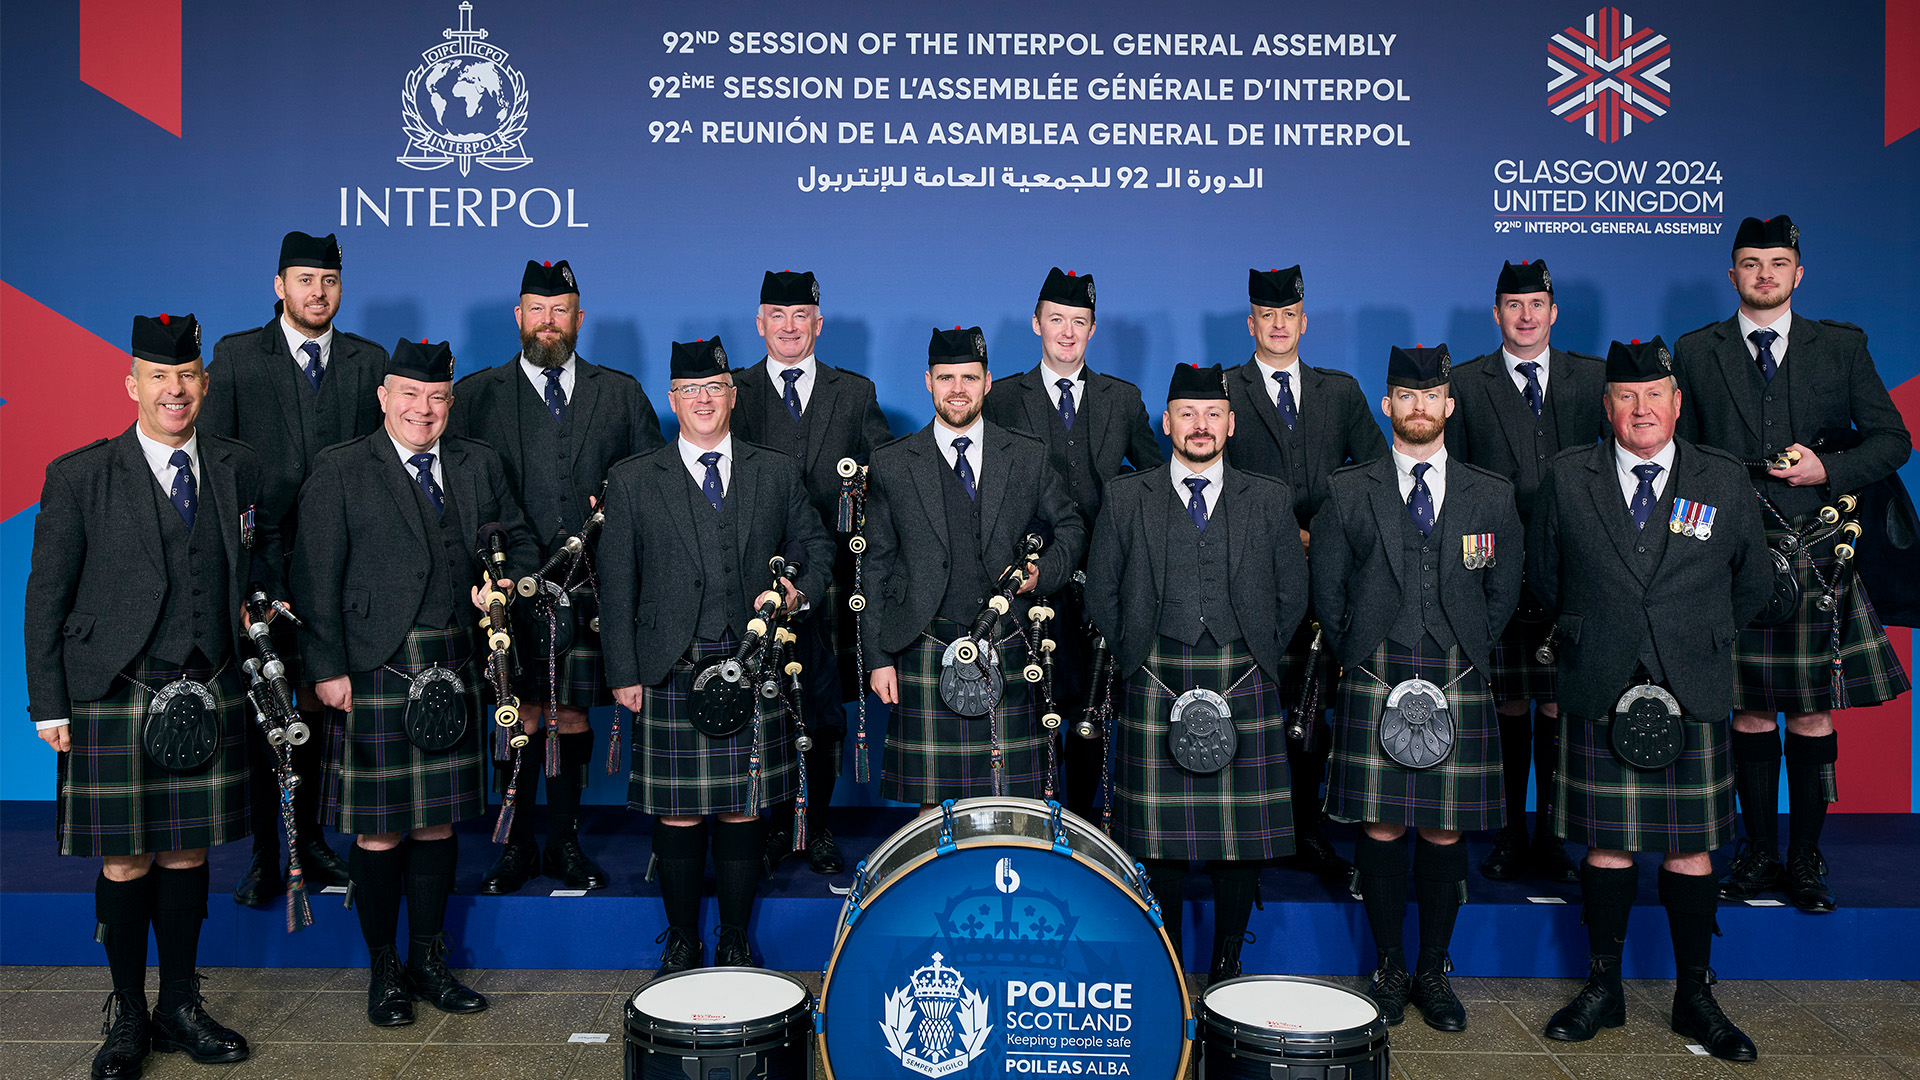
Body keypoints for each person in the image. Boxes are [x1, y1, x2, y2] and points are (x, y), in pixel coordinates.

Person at [27, 313, 277, 1078]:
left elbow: (250, 567)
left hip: (208, 688)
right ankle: (128, 1017)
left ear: (205, 384)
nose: (175, 391)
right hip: (114, 693)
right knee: (127, 861)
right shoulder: (79, 476)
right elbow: (47, 596)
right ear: (131, 385)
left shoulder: (238, 466)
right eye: (159, 378)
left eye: (187, 377)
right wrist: (50, 704)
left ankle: (179, 1004)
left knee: (187, 851)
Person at [1531, 337, 1770, 1062]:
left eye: (1655, 395)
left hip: (1689, 685)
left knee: (1690, 850)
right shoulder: (1567, 477)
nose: (1642, 409)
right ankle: (1602, 989)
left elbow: (1753, 580)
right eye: (1627, 397)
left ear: (1675, 402)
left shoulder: (1722, 478)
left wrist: (1695, 637)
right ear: (1607, 407)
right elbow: (1545, 577)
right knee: (1605, 846)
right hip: (1599, 676)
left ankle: (1695, 996)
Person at [292, 338, 537, 1027]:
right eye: (409, 394)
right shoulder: (341, 470)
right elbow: (314, 577)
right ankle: (385, 971)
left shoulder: (478, 462)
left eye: (435, 397)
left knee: (435, 827)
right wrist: (327, 669)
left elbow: (516, 540)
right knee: (378, 835)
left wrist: (506, 583)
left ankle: (430, 962)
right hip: (374, 666)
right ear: (383, 398)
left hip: (456, 664)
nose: (422, 409)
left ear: (450, 403)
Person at [1674, 215, 1912, 913]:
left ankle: (1805, 859)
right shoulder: (1696, 351)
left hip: (1817, 556)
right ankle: (1755, 854)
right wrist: (1692, 550)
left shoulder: (1840, 347)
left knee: (1810, 716)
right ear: (1733, 274)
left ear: (1798, 272)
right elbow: (1679, 459)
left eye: (1778, 263)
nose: (1765, 275)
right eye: (1751, 263)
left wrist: (1828, 467)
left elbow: (1892, 440)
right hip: (1732, 558)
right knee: (1747, 715)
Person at [599, 336, 834, 976]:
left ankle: (733, 939)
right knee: (677, 811)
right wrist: (623, 671)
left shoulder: (775, 470)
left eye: (715, 388)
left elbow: (816, 550)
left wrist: (794, 590)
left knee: (742, 806)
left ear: (733, 395)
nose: (703, 399)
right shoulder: (633, 479)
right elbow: (616, 585)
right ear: (672, 399)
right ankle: (681, 939)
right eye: (690, 390)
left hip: (751, 662)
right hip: (670, 665)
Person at [1311, 345, 1522, 1030]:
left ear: (1448, 406)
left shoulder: (1489, 491)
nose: (1419, 408)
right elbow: (1329, 587)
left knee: (1443, 826)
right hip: (1377, 669)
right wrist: (1359, 652)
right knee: (1381, 822)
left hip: (1457, 670)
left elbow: (1503, 586)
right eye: (1406, 395)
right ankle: (1390, 965)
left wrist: (1470, 649)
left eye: (1431, 396)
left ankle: (1433, 968)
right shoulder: (1350, 488)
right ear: (1387, 404)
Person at [448, 259, 664, 895]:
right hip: (507, 591)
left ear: (579, 317)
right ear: (519, 317)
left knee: (568, 713)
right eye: (536, 310)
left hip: (590, 593)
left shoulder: (618, 392)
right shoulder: (478, 394)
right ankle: (514, 846)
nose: (548, 322)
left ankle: (564, 842)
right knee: (517, 712)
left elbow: (653, 485)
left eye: (560, 309)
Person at [1084, 362, 1306, 980]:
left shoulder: (1267, 497)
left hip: (1244, 672)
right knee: (1161, 841)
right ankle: (1172, 968)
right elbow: (1101, 591)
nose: (1200, 425)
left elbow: (1293, 589)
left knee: (1241, 843)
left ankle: (1228, 965)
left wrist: (1260, 654)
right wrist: (1132, 657)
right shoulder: (1128, 497)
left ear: (1231, 424)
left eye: (1212, 414)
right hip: (1154, 673)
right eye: (1187, 413)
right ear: (1166, 422)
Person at [203, 231, 386, 906]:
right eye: (305, 279)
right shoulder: (237, 357)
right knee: (267, 713)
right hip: (264, 566)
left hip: (346, 569)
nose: (319, 292)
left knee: (318, 708)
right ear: (279, 286)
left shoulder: (371, 362)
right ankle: (263, 853)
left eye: (330, 281)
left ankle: (308, 841)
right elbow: (216, 462)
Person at [862, 326, 1088, 805]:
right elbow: (875, 567)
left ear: (988, 382)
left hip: (1010, 641)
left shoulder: (1026, 456)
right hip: (923, 640)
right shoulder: (893, 463)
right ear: (928, 381)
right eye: (946, 378)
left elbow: (1071, 529)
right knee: (931, 804)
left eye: (969, 377)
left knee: (1015, 798)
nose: (957, 389)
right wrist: (879, 659)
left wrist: (1040, 573)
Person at [1445, 259, 1606, 885]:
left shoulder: (1593, 378)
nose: (1527, 315)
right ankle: (1511, 832)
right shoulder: (1463, 381)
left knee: (1559, 707)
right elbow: (1454, 483)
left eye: (1537, 303)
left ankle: (1554, 834)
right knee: (1508, 705)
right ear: (1497, 314)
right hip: (1494, 564)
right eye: (1514, 304)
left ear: (1554, 311)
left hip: (1577, 567)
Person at [1225, 265, 1388, 882]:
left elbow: (1379, 473)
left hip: (1330, 576)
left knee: (1315, 711)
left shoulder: (1340, 392)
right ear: (1252, 323)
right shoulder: (1223, 390)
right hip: (1251, 577)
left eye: (1287, 315)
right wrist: (1283, 532)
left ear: (1302, 322)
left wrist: (1324, 531)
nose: (1277, 325)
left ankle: (1307, 830)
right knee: (1256, 704)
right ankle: (1254, 830)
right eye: (1266, 316)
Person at [985, 267, 1164, 819]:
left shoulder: (1122, 399)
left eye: (1078, 322)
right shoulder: (1004, 397)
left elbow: (1158, 481)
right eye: (1057, 320)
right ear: (1036, 323)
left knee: (1093, 712)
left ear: (1092, 329)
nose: (1067, 332)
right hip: (1029, 584)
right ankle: (1032, 822)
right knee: (1031, 709)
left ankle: (1082, 827)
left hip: (1106, 584)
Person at [730, 269, 892, 875]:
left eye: (802, 316)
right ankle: (771, 826)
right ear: (760, 323)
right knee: (761, 703)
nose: (790, 326)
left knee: (823, 710)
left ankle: (816, 823)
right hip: (750, 584)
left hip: (831, 586)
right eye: (778, 315)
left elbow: (886, 477)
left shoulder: (854, 393)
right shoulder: (733, 391)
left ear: (818, 323)